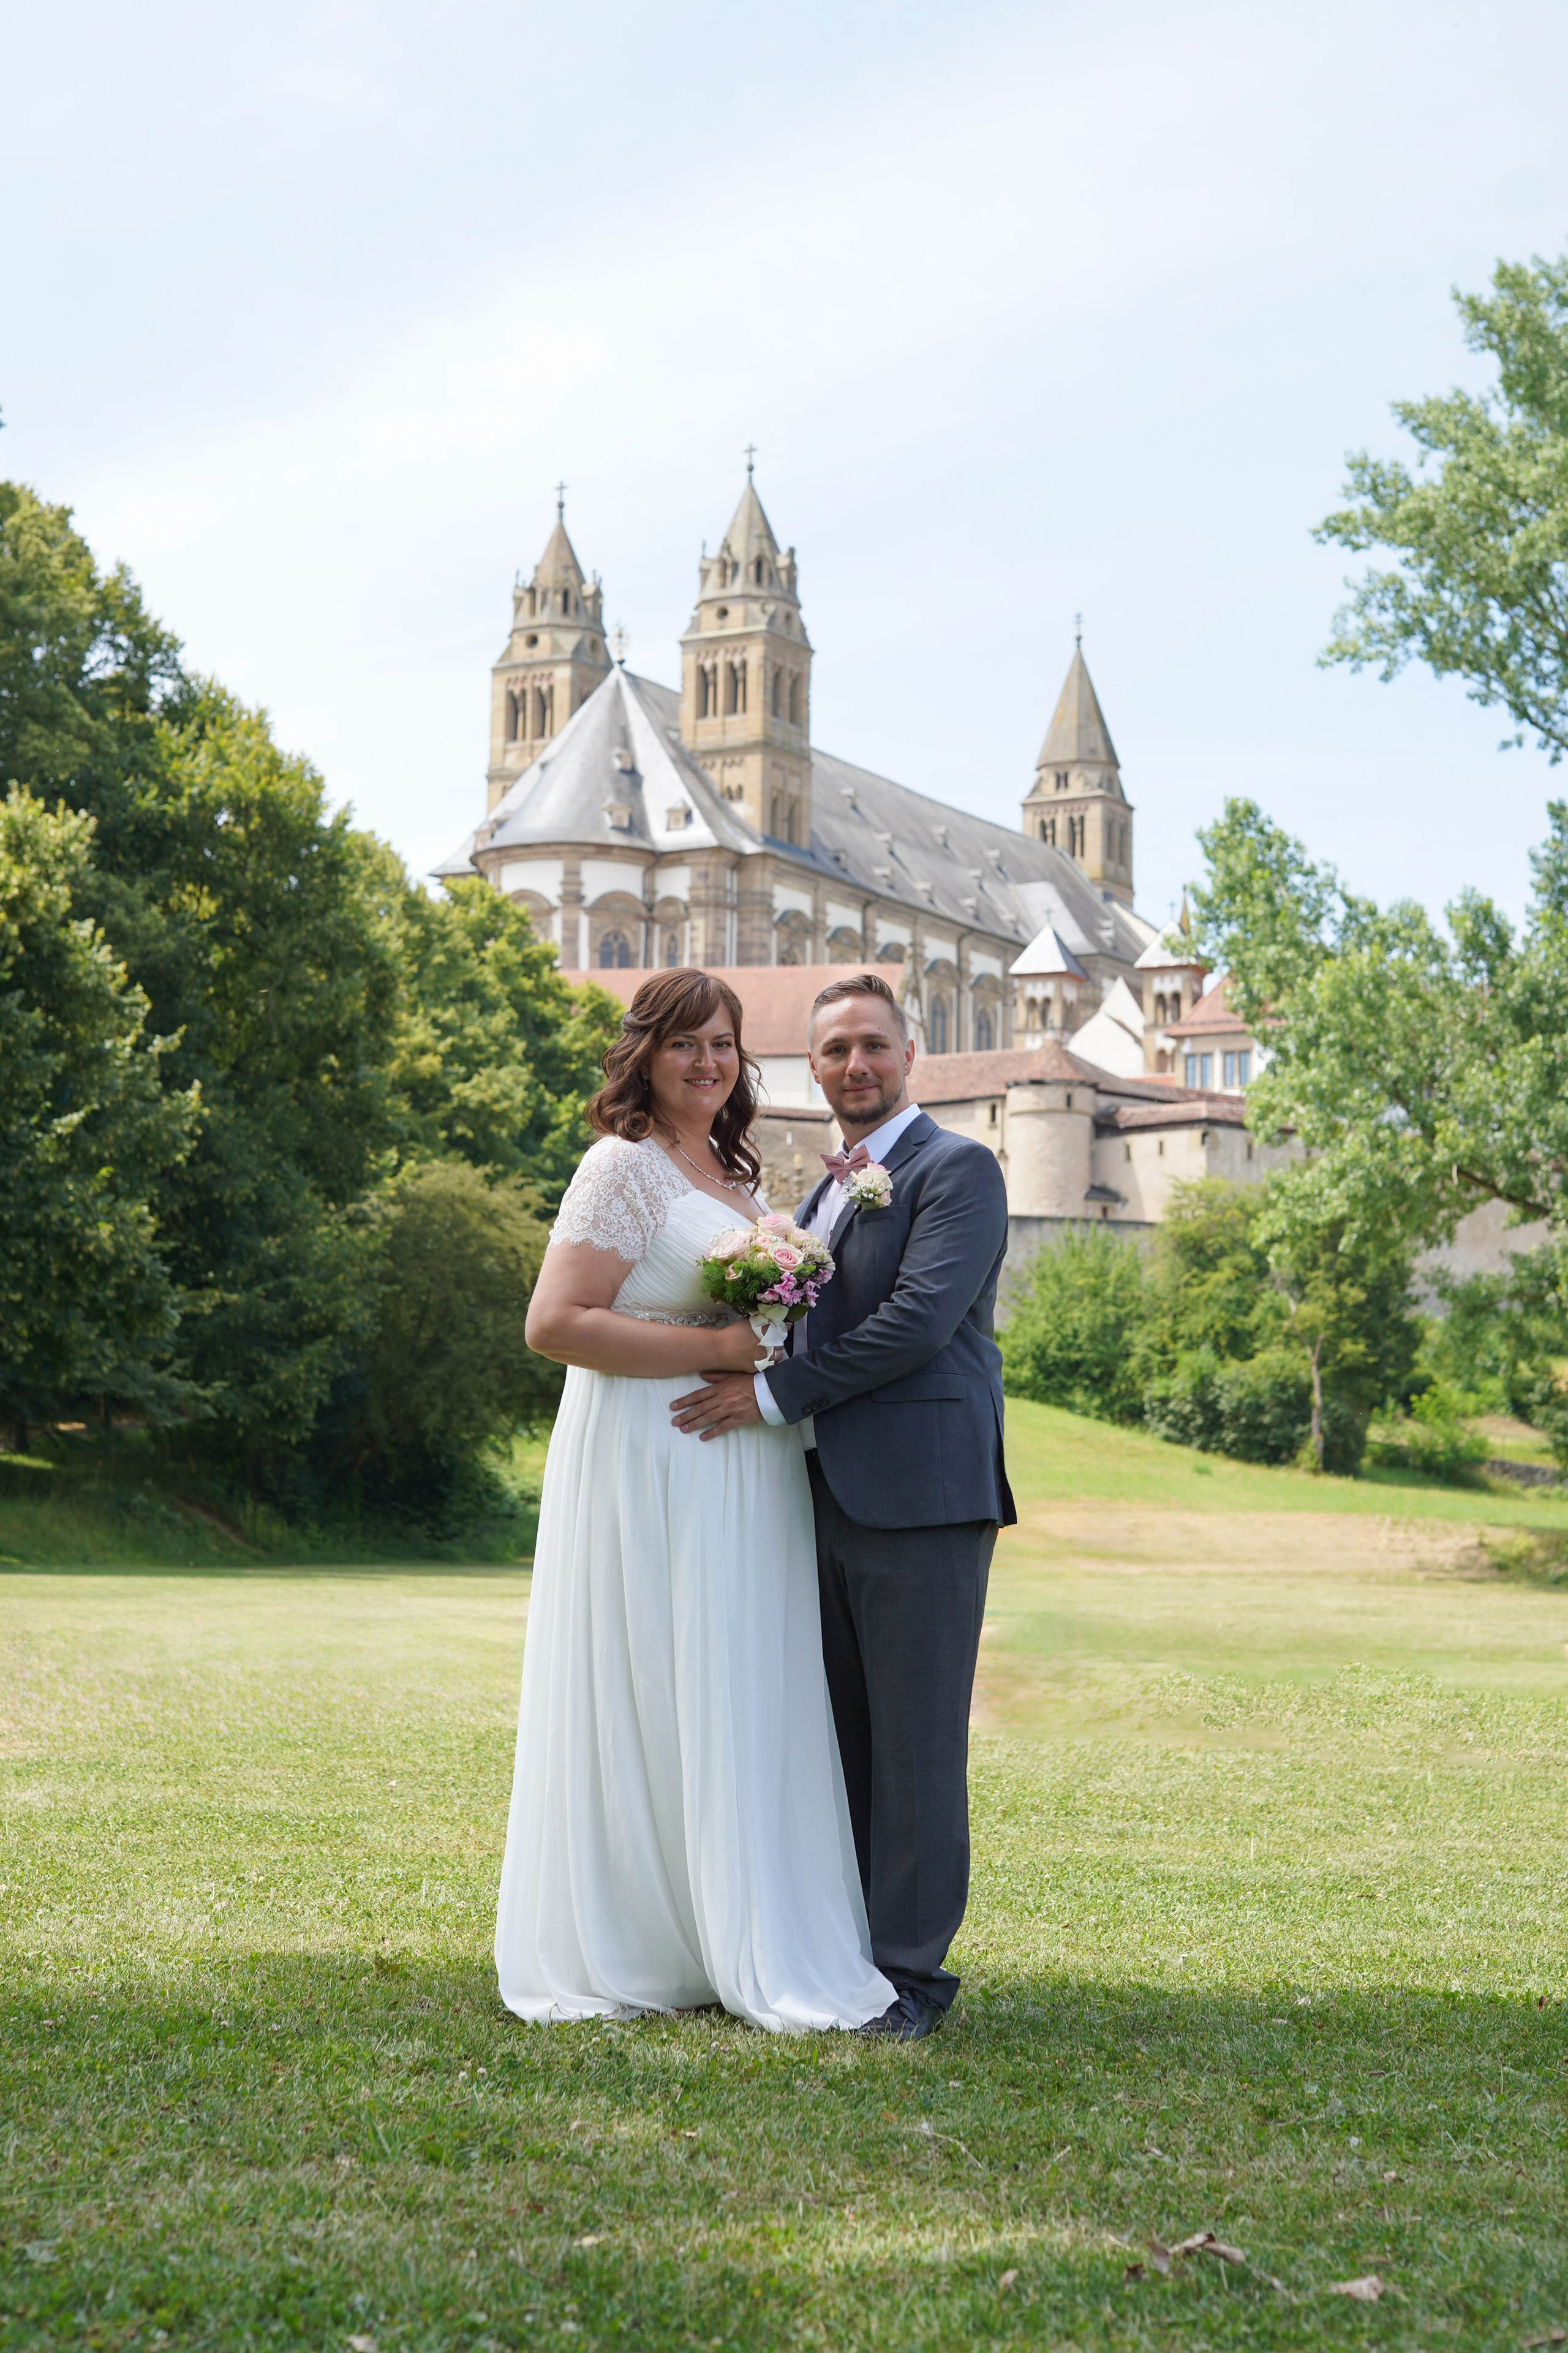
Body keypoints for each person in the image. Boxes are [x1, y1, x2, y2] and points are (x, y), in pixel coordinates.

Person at [494, 967, 893, 2033]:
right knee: (661, 1671)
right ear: (645, 1054)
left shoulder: (731, 1171)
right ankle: (644, 1936)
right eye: (685, 1043)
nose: (708, 1062)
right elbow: (554, 1322)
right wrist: (715, 1346)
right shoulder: (620, 1165)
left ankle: (738, 1917)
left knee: (739, 1676)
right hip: (653, 1452)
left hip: (746, 1464)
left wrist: (761, 1345)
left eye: (722, 1043)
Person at [671, 970, 1015, 2041]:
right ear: (812, 1068)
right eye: (834, 1050)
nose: (855, 1064)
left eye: (872, 1044)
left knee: (915, 1746)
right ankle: (844, 1956)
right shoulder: (824, 1192)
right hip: (818, 1493)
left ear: (911, 1054)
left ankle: (911, 1977)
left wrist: (771, 1395)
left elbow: (917, 1321)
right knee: (841, 1741)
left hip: (922, 1493)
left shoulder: (958, 1169)